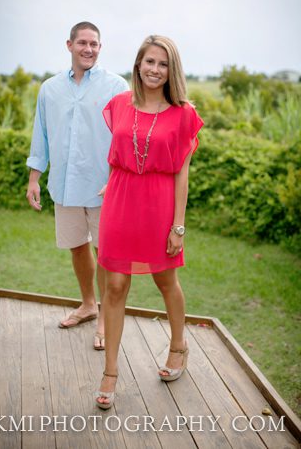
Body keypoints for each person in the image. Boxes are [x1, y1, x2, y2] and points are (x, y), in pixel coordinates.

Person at [95, 35, 203, 409]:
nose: (155, 70)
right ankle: (110, 371)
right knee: (114, 284)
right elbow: (119, 154)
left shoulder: (184, 113)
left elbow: (181, 176)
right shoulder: (120, 104)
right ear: (138, 64)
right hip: (120, 203)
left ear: (172, 70)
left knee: (164, 278)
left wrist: (178, 226)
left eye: (163, 64)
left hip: (159, 207)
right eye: (150, 62)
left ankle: (179, 345)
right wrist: (111, 183)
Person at [25, 21, 128, 349]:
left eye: (94, 44)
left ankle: (104, 317)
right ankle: (87, 304)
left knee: (105, 252)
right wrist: (34, 178)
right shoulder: (50, 88)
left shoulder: (116, 86)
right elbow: (40, 135)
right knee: (76, 245)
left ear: (100, 47)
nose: (89, 49)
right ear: (69, 45)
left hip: (103, 186)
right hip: (64, 184)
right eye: (83, 42)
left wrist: (116, 177)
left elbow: (125, 137)